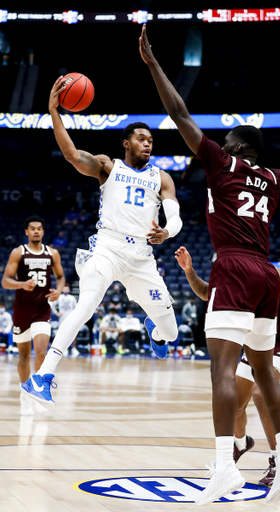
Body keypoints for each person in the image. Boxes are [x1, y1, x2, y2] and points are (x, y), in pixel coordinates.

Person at [139, 24, 280, 504]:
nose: (218, 146)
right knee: (265, 372)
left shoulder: (222, 164)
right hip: (266, 273)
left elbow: (178, 112)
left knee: (223, 374)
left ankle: (226, 468)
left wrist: (152, 64)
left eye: (224, 143)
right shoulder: (272, 177)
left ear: (232, 149)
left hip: (232, 266)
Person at [21, 76, 182, 409]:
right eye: (141, 139)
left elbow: (175, 216)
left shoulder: (161, 177)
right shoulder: (109, 167)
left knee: (172, 334)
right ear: (126, 143)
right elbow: (70, 154)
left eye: (151, 140)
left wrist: (169, 231)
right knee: (84, 307)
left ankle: (154, 326)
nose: (148, 144)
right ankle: (43, 376)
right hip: (107, 248)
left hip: (141, 258)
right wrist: (55, 111)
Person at [175, 245, 280, 487]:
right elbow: (204, 293)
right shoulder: (230, 282)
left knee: (260, 392)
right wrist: (189, 271)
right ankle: (241, 443)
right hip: (255, 345)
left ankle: (278, 459)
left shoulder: (276, 275)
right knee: (233, 404)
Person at [1, 216, 65, 415]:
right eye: (32, 228)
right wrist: (22, 284)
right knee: (24, 356)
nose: (36, 231)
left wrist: (59, 291)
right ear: (26, 232)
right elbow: (5, 281)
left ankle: (39, 391)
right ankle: (24, 390)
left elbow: (61, 276)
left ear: (43, 232)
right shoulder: (18, 252)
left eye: (39, 228)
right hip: (22, 309)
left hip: (41, 309)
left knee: (42, 352)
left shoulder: (52, 253)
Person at [50, 284, 79, 356]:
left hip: (70, 318)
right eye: (64, 289)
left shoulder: (72, 298)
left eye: (67, 289)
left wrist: (73, 314)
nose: (66, 290)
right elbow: (52, 305)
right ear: (62, 290)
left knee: (73, 333)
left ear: (69, 290)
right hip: (62, 318)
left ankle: (73, 348)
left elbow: (76, 307)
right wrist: (56, 313)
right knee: (62, 334)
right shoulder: (59, 297)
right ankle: (63, 349)